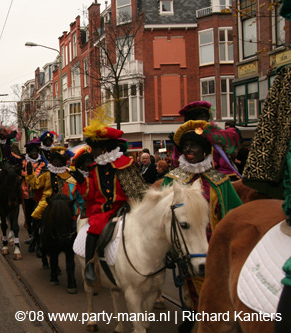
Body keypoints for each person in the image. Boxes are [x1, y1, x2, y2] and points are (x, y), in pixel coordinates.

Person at [161, 120, 242, 321]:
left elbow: (236, 214)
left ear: (204, 150)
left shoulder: (219, 180)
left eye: (194, 145)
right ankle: (192, 318)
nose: (189, 149)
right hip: (186, 246)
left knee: (216, 289)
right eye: (185, 146)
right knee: (190, 289)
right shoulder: (173, 178)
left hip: (214, 247)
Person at [72, 108, 148, 283]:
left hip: (126, 208)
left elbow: (138, 190)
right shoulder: (94, 169)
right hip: (103, 211)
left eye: (95, 148)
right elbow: (90, 195)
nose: (92, 152)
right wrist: (81, 182)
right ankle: (90, 264)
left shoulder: (125, 164)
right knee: (94, 229)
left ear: (104, 148)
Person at [26, 146, 83, 257]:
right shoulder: (47, 174)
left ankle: (73, 235)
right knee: (36, 214)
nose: (56, 162)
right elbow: (36, 184)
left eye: (58, 160)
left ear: (62, 162)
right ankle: (36, 238)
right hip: (48, 201)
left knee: (73, 216)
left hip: (64, 202)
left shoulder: (68, 174)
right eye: (54, 160)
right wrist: (30, 174)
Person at [173, 101, 241, 179]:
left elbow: (224, 163)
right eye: (201, 117)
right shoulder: (182, 139)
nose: (204, 120)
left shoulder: (213, 139)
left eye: (205, 117)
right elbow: (176, 162)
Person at [20, 139, 46, 250]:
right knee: (28, 215)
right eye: (32, 151)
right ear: (29, 153)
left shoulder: (43, 163)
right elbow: (21, 173)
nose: (34, 153)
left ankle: (38, 237)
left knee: (39, 216)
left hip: (39, 194)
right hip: (26, 192)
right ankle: (31, 235)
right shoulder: (24, 163)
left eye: (36, 151)